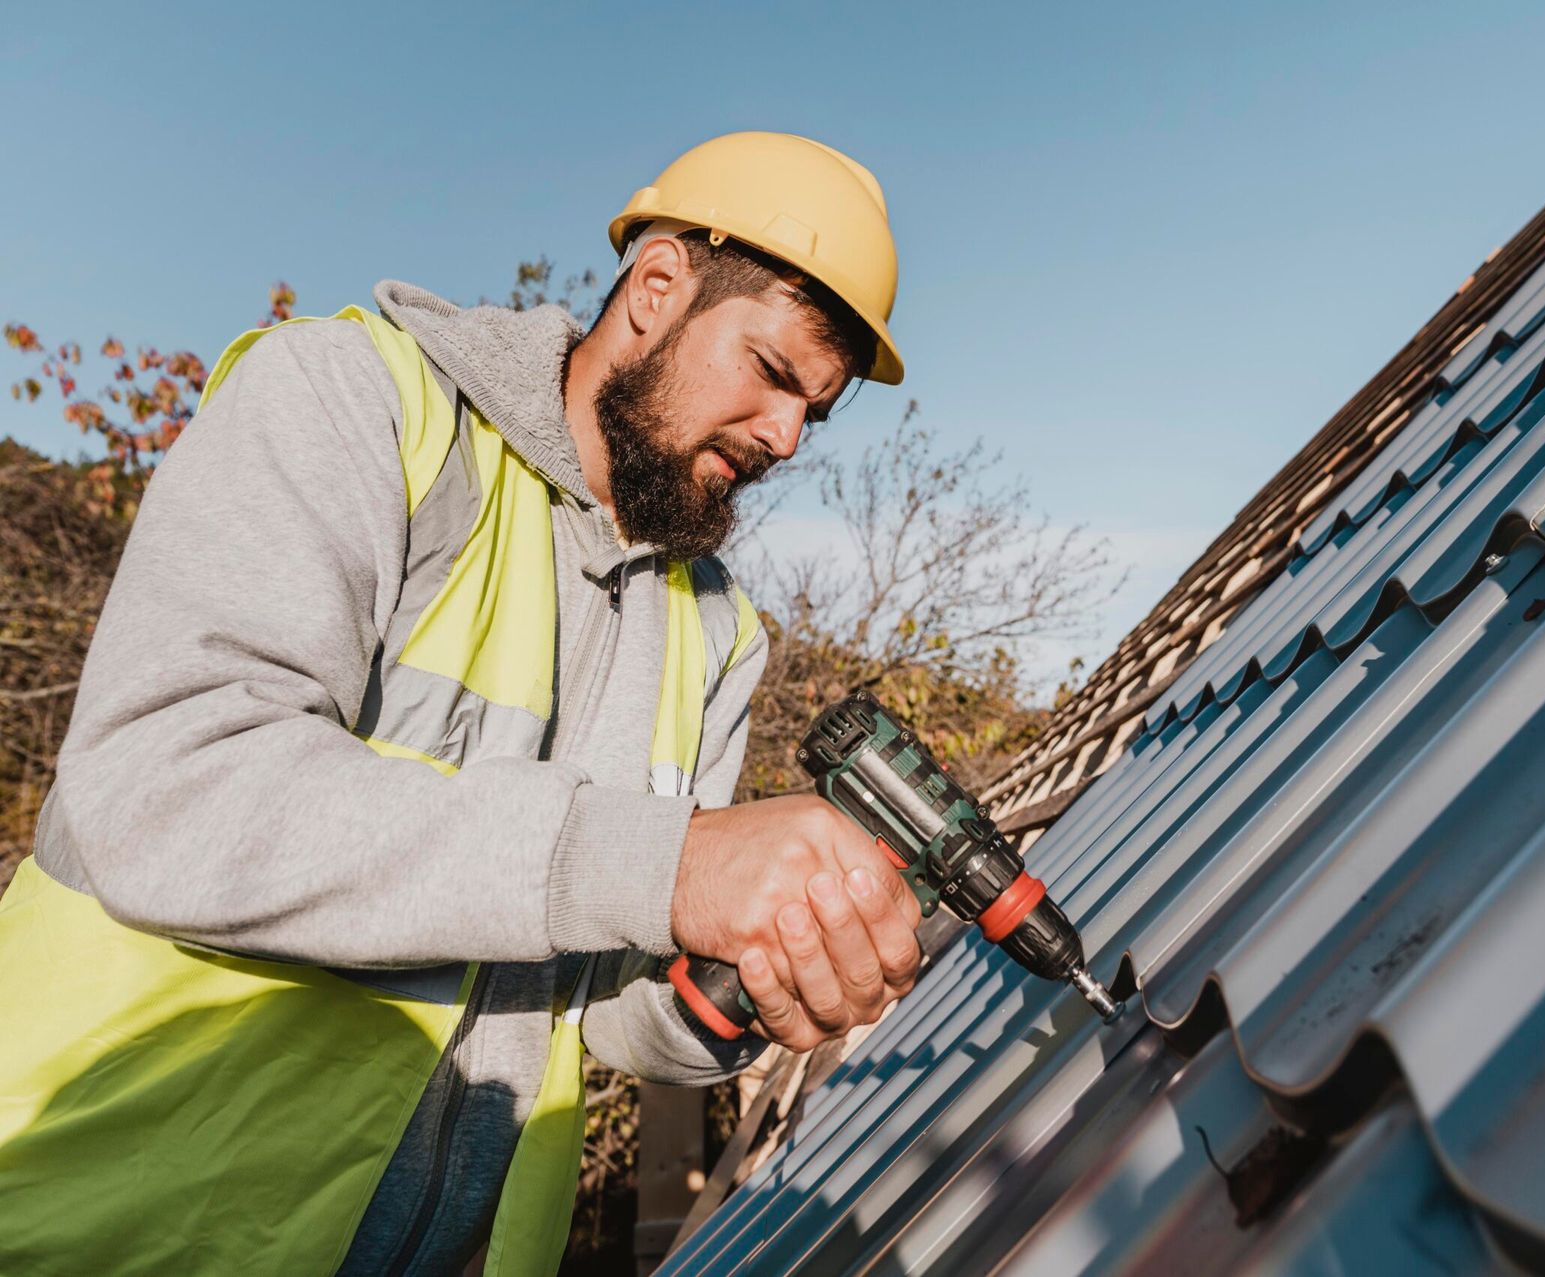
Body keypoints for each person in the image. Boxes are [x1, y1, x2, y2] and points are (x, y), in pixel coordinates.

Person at [0, 131, 917, 1276]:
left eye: (813, 413)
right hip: (98, 1230)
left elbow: (606, 1005)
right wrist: (668, 862)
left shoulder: (716, 629)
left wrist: (746, 979)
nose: (785, 438)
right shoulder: (354, 404)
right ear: (660, 286)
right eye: (774, 373)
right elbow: (165, 791)